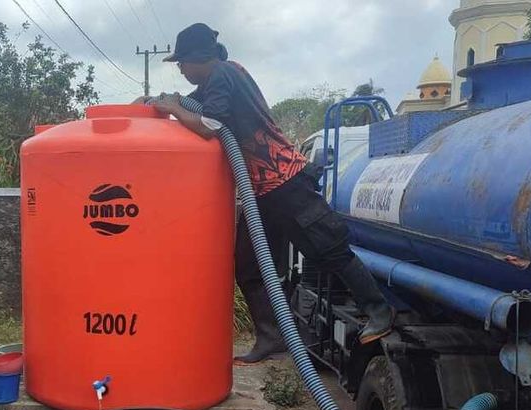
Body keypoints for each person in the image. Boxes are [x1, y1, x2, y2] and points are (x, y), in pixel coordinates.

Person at [149, 23, 394, 364]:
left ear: (198, 57)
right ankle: (272, 335)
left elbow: (211, 127)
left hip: (287, 181)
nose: (179, 68)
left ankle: (378, 310)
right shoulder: (212, 84)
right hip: (259, 192)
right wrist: (160, 105)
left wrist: (174, 108)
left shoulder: (224, 75)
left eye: (181, 62)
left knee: (328, 247)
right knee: (248, 266)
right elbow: (199, 113)